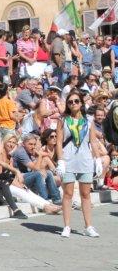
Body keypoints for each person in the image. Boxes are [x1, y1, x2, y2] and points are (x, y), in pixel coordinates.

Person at [56, 91, 103, 238]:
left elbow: (93, 141)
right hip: (68, 159)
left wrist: (97, 159)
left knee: (85, 194)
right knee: (68, 194)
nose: (73, 104)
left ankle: (88, 226)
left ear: (81, 103)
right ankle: (67, 226)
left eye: (76, 101)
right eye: (70, 102)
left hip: (85, 160)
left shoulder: (88, 120)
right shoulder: (63, 120)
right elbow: (59, 142)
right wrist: (60, 160)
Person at [13, 133, 62, 205]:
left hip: (27, 176)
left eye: (34, 144)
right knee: (38, 173)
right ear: (23, 144)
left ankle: (57, 199)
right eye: (30, 144)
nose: (33, 147)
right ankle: (44, 201)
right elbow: (36, 168)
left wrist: (39, 155)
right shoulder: (21, 152)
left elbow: (41, 161)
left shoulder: (29, 150)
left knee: (48, 173)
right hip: (18, 180)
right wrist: (40, 156)